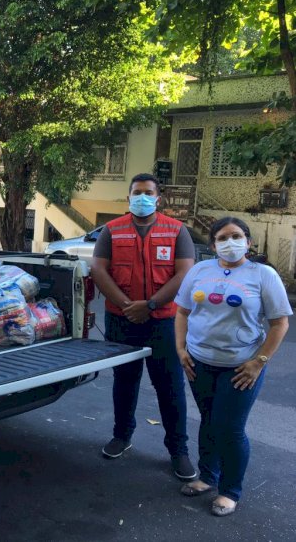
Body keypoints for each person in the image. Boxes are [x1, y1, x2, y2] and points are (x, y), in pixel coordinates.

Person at [174, 217, 291, 516]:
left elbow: (280, 324)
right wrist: (180, 348)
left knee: (230, 428)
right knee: (209, 419)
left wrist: (258, 362)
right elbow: (183, 312)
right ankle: (207, 477)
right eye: (222, 238)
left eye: (236, 236)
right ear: (212, 244)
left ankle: (230, 490)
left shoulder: (263, 275)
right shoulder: (200, 271)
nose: (230, 242)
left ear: (248, 242)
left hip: (241, 367)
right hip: (199, 362)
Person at [91, 173, 196, 480]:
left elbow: (184, 274)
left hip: (163, 322)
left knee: (170, 387)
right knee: (124, 382)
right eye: (137, 192)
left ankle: (179, 451)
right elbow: (99, 270)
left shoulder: (177, 231)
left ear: (158, 198)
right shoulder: (111, 230)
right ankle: (122, 436)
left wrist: (149, 305)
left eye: (148, 192)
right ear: (128, 197)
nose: (142, 197)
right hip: (122, 321)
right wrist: (128, 306)